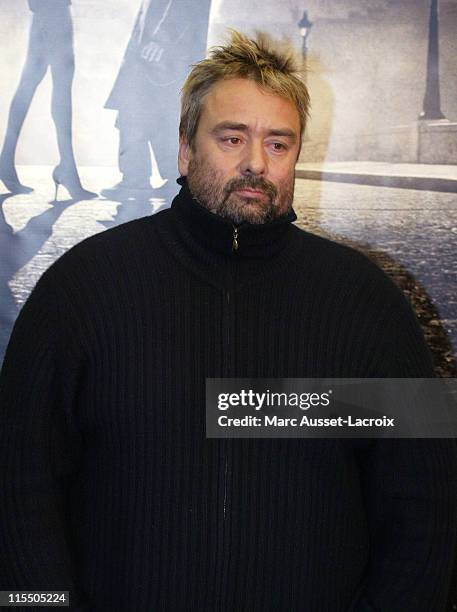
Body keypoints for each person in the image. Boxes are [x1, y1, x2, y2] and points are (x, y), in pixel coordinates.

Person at [1, 31, 456, 612]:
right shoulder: (84, 288)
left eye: (278, 144)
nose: (255, 165)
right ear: (185, 150)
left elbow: (424, 506)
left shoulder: (365, 302)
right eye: (232, 138)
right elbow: (18, 492)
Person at [102, 0, 211, 200]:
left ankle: (137, 180)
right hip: (160, 52)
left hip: (164, 55)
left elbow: (184, 7)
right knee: (146, 113)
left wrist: (161, 41)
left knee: (140, 113)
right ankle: (145, 179)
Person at [0, 0, 96, 200]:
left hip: (48, 6)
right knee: (59, 80)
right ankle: (67, 169)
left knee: (33, 79)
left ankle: (6, 161)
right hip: (53, 6)